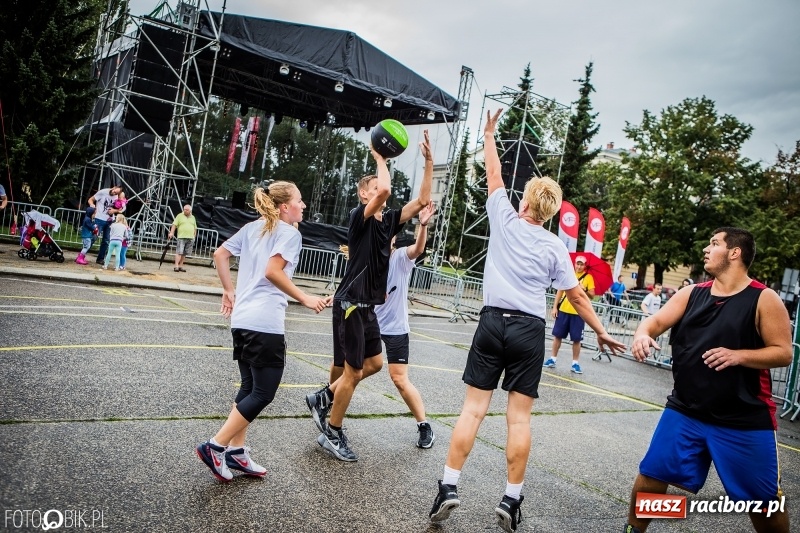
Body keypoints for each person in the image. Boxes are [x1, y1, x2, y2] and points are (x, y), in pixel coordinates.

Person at [428, 110, 625, 532]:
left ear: (525, 202)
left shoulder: (502, 215)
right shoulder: (555, 246)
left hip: (492, 321)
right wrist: (603, 333)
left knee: (473, 412)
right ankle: (510, 499)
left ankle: (448, 486)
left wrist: (488, 132)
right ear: (551, 212)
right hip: (529, 329)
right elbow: (577, 297)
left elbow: (495, 170)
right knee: (518, 420)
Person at [624, 227, 792, 533]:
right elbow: (655, 321)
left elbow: (783, 353)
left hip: (743, 418)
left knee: (764, 502)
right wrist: (642, 335)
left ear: (734, 252)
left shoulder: (764, 299)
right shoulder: (691, 293)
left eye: (714, 243)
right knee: (651, 474)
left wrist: (740, 355)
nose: (706, 248)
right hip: (686, 409)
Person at [305, 130, 434, 462]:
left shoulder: (388, 222)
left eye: (379, 186)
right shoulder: (358, 219)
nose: (381, 191)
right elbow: (387, 187)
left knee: (375, 364)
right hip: (350, 304)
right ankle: (332, 432)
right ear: (364, 193)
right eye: (374, 187)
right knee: (353, 373)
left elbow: (421, 202)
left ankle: (322, 397)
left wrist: (429, 163)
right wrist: (380, 157)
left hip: (368, 309)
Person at [196, 182, 329, 482]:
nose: (303, 205)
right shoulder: (289, 233)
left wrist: (229, 291)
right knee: (263, 392)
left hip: (242, 320)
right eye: (299, 200)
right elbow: (273, 271)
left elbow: (219, 255)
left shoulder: (252, 228)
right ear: (285, 207)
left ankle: (237, 453)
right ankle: (216, 446)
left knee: (248, 388)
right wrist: (306, 298)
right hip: (264, 324)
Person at [374, 202, 437, 449]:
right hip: (369, 323)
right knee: (349, 368)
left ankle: (424, 425)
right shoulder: (368, 258)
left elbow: (419, 248)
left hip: (396, 327)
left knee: (399, 379)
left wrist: (422, 224)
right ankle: (328, 400)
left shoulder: (400, 257)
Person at [543, 255, 595, 374]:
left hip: (578, 313)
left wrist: (584, 289)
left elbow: (592, 294)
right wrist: (555, 307)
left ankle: (575, 363)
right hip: (564, 310)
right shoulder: (569, 275)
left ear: (585, 266)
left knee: (577, 339)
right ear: (574, 264)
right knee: (557, 336)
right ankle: (552, 359)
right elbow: (560, 291)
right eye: (578, 263)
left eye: (581, 264)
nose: (579, 266)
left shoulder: (588, 278)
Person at [87, 186, 125, 265]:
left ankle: (100, 258)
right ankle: (82, 253)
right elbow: (91, 199)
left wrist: (114, 210)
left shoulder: (118, 197)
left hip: (109, 220)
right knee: (94, 237)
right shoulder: (103, 192)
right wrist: (92, 205)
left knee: (106, 240)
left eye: (116, 193)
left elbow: (122, 208)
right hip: (99, 218)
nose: (114, 193)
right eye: (114, 191)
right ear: (113, 187)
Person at [167, 204, 198, 272]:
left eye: (187, 210)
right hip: (181, 237)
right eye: (184, 209)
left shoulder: (193, 217)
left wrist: (194, 237)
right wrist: (171, 233)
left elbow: (195, 228)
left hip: (190, 238)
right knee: (179, 252)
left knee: (185, 253)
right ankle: (176, 266)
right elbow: (174, 225)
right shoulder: (179, 216)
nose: (185, 211)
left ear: (190, 210)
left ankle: (181, 265)